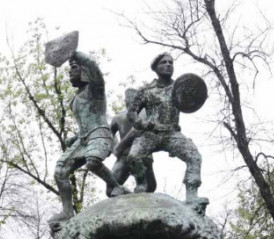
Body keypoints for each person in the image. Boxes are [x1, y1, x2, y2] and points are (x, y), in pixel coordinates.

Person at [52, 50, 126, 224]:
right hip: (83, 139)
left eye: (74, 67)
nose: (70, 72)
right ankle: (67, 212)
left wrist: (73, 53)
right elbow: (85, 122)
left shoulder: (95, 89)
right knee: (60, 172)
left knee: (92, 162)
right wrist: (74, 138)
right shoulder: (75, 99)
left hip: (100, 134)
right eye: (70, 68)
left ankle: (116, 186)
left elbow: (94, 68)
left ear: (84, 71)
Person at [127, 53, 203, 203]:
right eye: (164, 62)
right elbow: (132, 112)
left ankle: (192, 196)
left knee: (194, 157)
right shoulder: (146, 90)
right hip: (152, 134)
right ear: (155, 68)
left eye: (170, 62)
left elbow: (194, 100)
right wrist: (142, 124)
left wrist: (198, 96)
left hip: (172, 133)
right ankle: (141, 184)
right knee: (133, 156)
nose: (168, 65)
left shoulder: (180, 88)